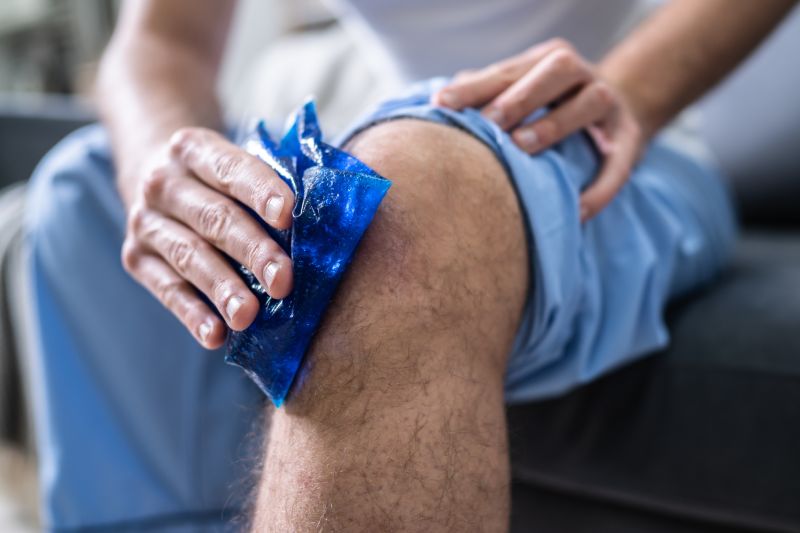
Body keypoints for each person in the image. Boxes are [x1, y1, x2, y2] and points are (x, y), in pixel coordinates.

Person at [23, 0, 797, 530]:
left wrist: (620, 91)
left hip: (621, 135)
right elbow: (162, 39)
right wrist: (165, 163)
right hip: (395, 104)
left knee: (390, 224)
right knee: (84, 191)